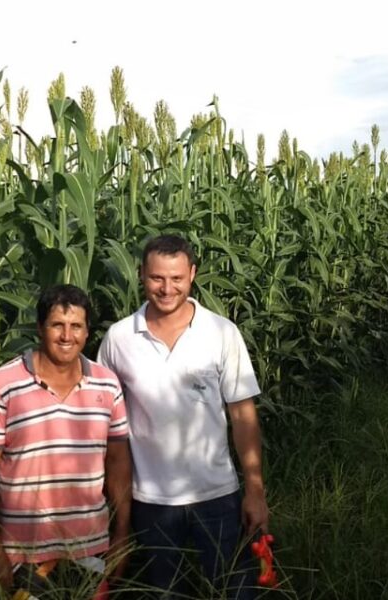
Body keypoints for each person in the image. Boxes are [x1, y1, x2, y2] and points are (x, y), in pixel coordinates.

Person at [98, 234, 267, 599]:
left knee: (234, 589)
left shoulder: (221, 333)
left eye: (176, 278)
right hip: (150, 500)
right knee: (164, 593)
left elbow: (243, 415)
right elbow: (104, 423)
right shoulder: (118, 339)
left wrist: (254, 488)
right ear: (141, 274)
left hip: (217, 495)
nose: (166, 288)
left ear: (192, 274)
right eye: (157, 278)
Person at [0, 284, 133, 595]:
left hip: (91, 551)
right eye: (57, 325)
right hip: (22, 556)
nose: (67, 336)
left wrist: (122, 535)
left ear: (87, 332)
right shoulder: (2, 384)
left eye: (76, 326)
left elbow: (118, 462)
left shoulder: (107, 384)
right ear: (40, 328)